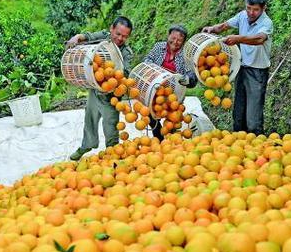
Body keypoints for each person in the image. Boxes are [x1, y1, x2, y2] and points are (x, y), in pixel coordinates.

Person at [202, 0, 273, 135]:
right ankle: (239, 146)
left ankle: (257, 144)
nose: (251, 12)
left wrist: (238, 38)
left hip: (257, 72)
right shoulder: (242, 16)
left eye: (255, 10)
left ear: (263, 8)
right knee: (238, 114)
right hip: (241, 69)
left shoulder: (266, 22)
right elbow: (224, 26)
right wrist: (212, 29)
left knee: (253, 118)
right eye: (249, 8)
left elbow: (259, 39)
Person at [65, 16, 134, 161]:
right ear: (111, 29)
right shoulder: (105, 37)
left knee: (110, 126)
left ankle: (113, 152)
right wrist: (77, 37)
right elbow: (88, 36)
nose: (120, 38)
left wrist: (114, 79)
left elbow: (125, 74)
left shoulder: (126, 53)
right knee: (90, 118)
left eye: (125, 36)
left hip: (111, 96)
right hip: (95, 89)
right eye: (118, 34)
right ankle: (86, 145)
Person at [144, 24, 198, 141]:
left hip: (174, 94)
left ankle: (172, 144)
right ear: (168, 36)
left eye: (179, 40)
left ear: (183, 41)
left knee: (173, 120)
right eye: (173, 38)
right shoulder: (159, 47)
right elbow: (147, 60)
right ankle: (158, 140)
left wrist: (187, 79)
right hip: (157, 90)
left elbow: (192, 75)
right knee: (152, 116)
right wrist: (155, 72)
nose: (175, 42)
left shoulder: (185, 54)